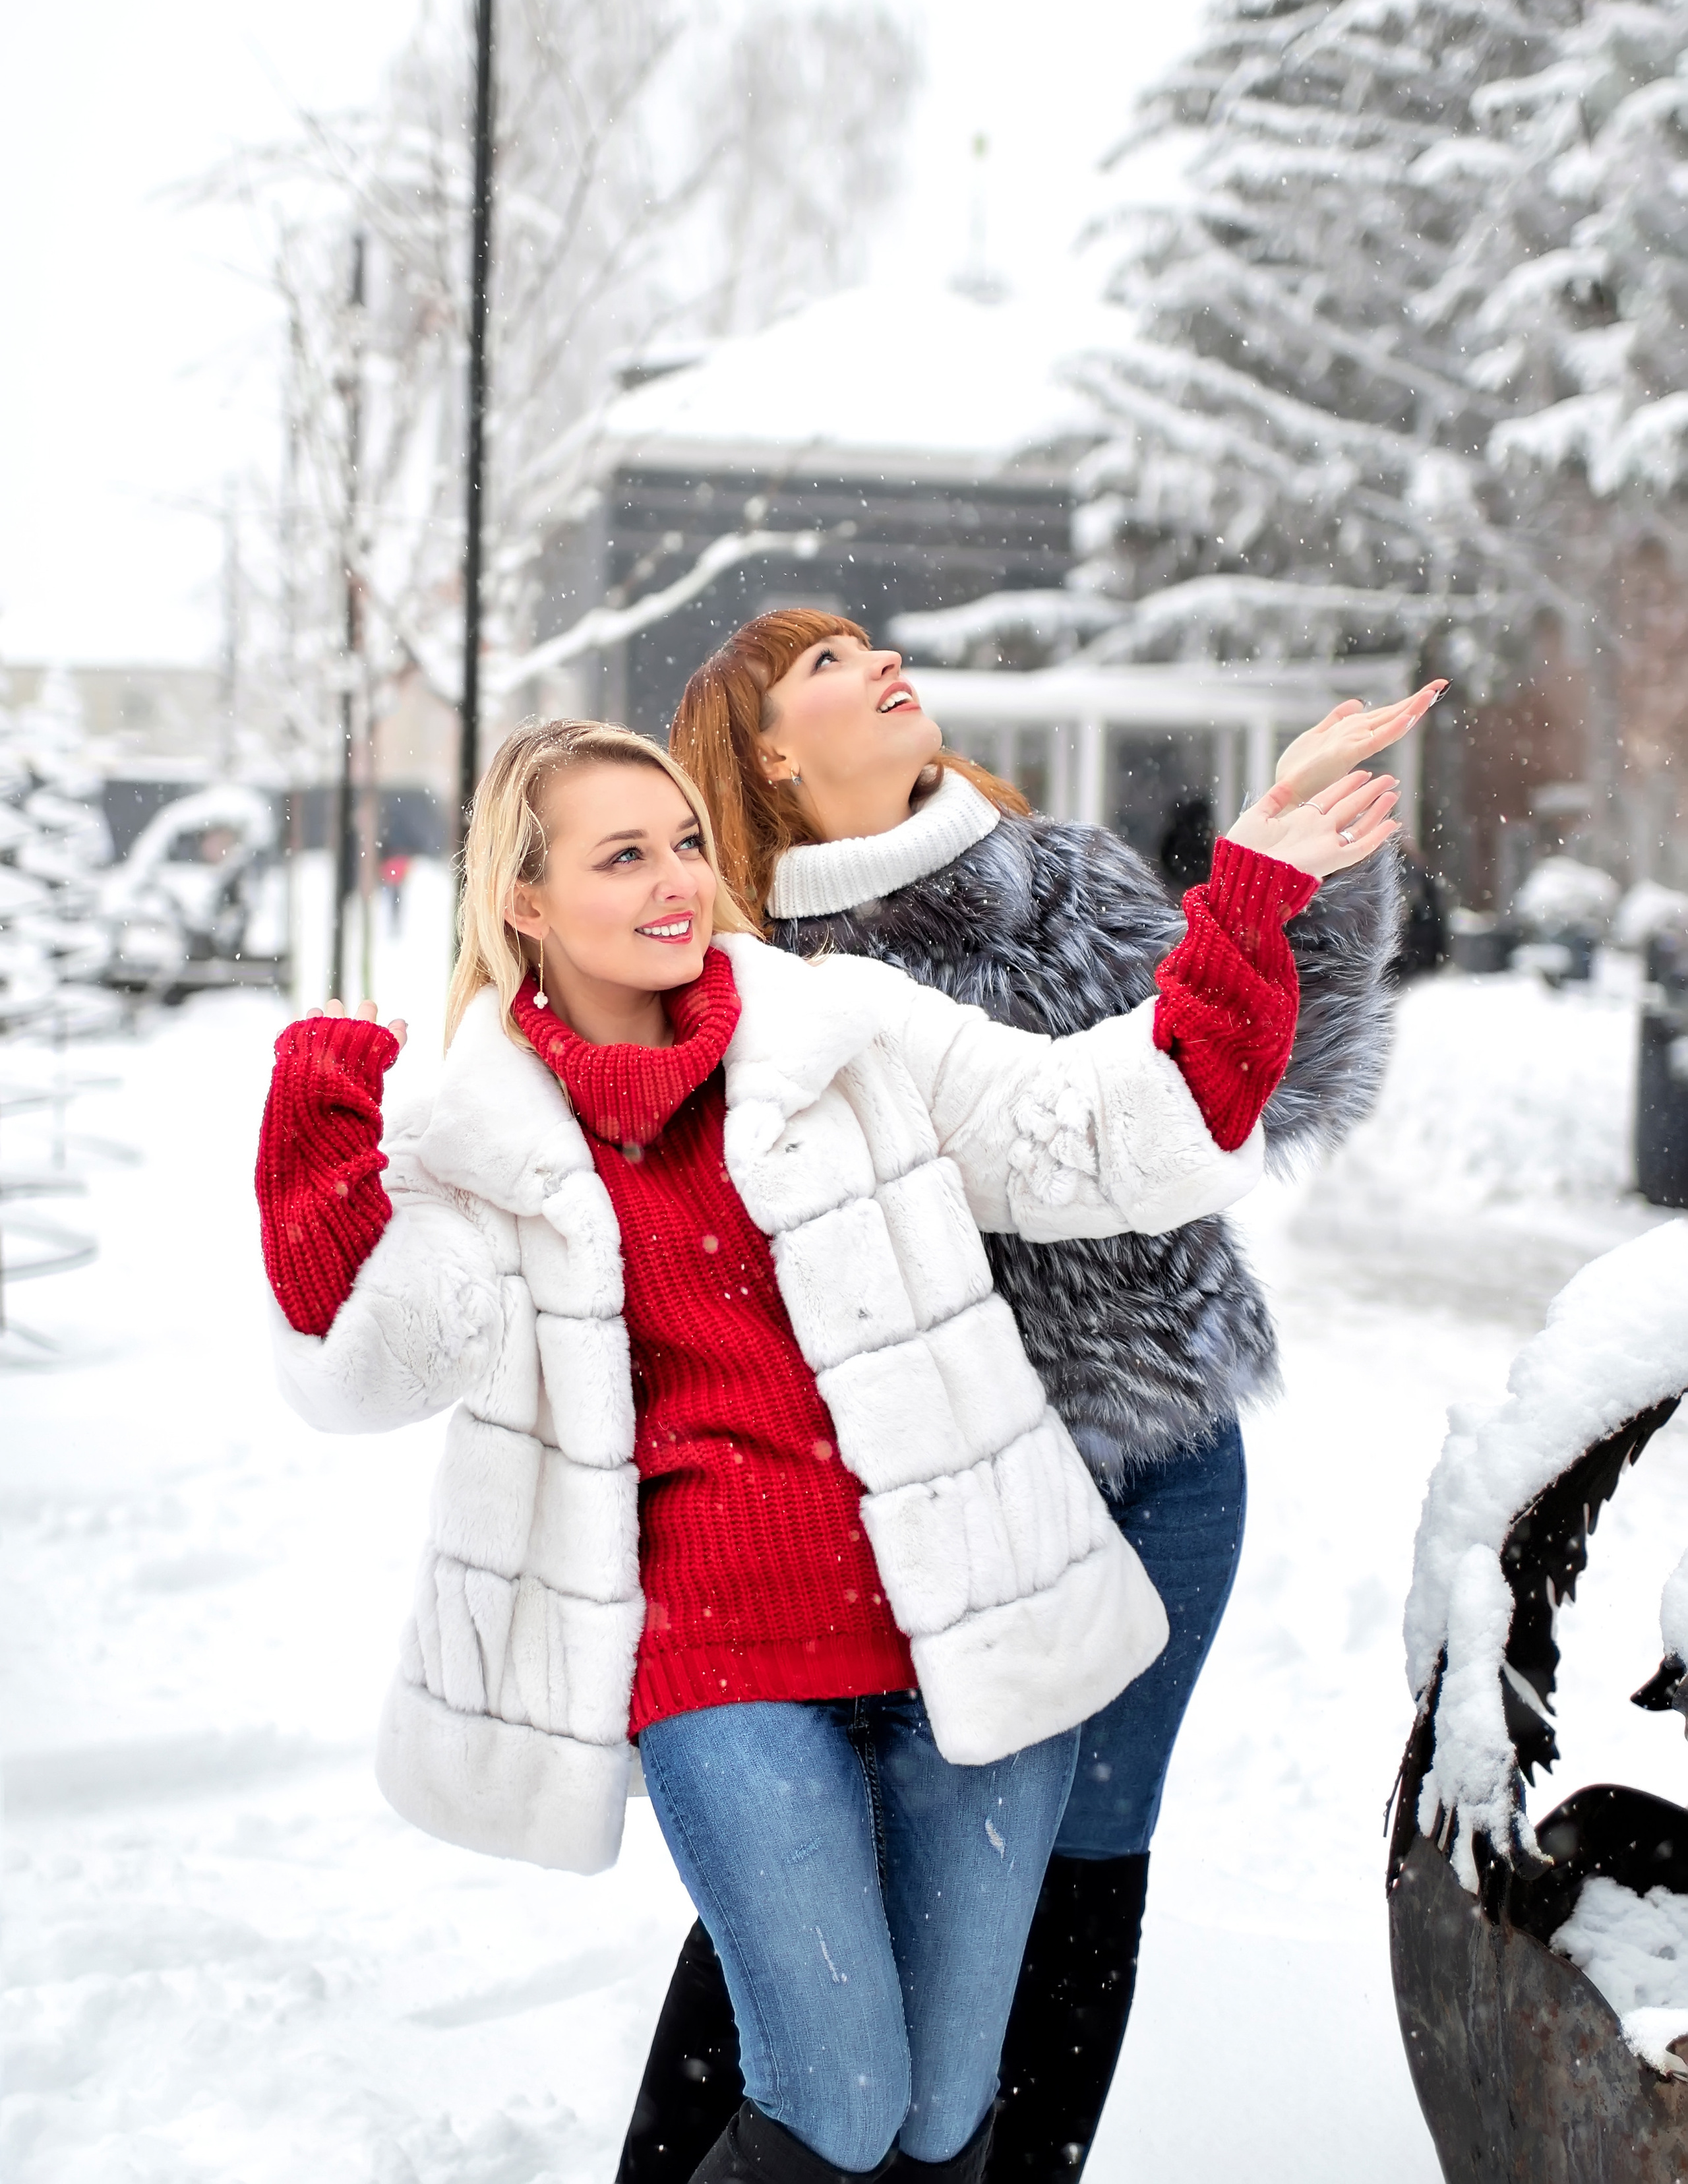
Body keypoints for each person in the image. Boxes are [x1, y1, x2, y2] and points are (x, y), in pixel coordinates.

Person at [253, 717, 1396, 2184]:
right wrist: (317, 1117)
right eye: (622, 856)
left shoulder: (838, 1024)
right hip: (720, 1668)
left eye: (681, 843)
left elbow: (1104, 1132)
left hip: (959, 1635)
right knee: (837, 2099)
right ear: (524, 903)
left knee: (939, 2119)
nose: (674, 881)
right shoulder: (476, 1127)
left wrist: (1248, 890)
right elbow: (370, 1368)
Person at [609, 621, 1437, 2184]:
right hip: (942, 1499)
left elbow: (1256, 1088)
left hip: (1168, 1461)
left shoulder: (1056, 872)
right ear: (770, 753)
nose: (882, 662)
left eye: (871, 642)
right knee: (835, 1901)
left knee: (1085, 1875)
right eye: (828, 666)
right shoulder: (761, 981)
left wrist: (1299, 877)